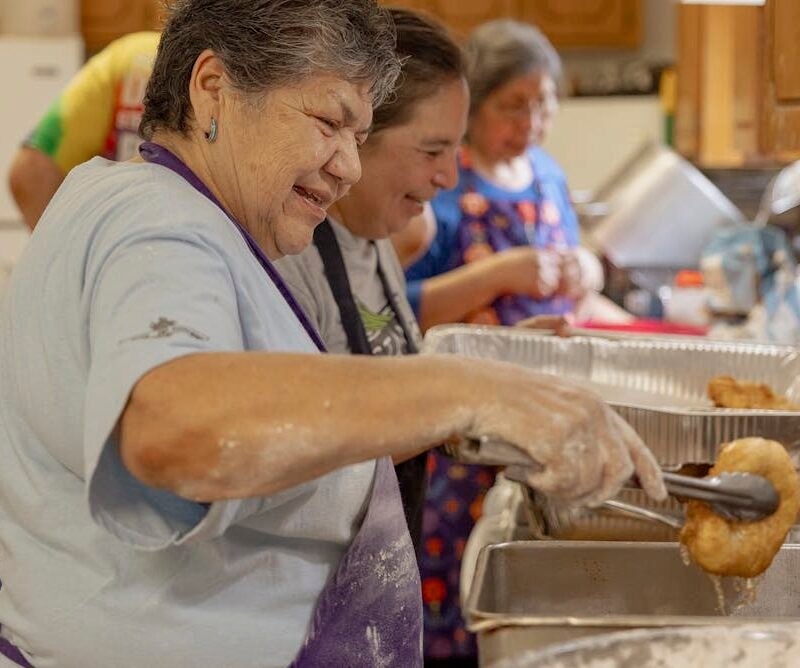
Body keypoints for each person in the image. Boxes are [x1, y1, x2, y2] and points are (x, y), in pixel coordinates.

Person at [0, 3, 665, 667]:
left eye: (360, 135)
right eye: (328, 123)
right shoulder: (154, 220)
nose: (349, 166)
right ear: (212, 88)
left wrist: (481, 374)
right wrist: (465, 389)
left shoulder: (207, 227)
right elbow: (174, 429)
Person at [396, 20, 616, 663]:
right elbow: (402, 311)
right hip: (467, 430)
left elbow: (579, 279)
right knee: (464, 580)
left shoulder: (546, 174)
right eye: (513, 106)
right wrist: (501, 274)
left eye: (543, 104)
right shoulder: (444, 182)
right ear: (473, 107)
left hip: (543, 415)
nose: (531, 122)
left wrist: (587, 270)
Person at [274, 8, 466, 551]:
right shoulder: (290, 260)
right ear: (359, 135)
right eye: (433, 151)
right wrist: (464, 403)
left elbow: (387, 372)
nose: (449, 176)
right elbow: (303, 458)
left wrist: (498, 364)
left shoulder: (373, 237)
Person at [8, 31, 159, 230]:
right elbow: (31, 172)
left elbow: (31, 172)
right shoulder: (129, 60)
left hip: (112, 237)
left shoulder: (129, 58)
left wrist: (63, 246)